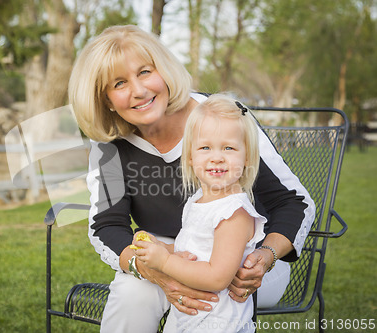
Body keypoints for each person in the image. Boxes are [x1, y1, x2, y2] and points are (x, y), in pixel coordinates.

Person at [68, 25, 315, 333]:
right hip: (171, 252)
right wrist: (149, 268)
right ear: (104, 99)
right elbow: (107, 226)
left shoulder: (220, 117)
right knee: (132, 293)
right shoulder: (109, 147)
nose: (139, 90)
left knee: (216, 292)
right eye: (119, 83)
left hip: (245, 257)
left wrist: (264, 257)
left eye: (145, 72)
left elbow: (294, 202)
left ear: (164, 70)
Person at [132, 94, 266, 332]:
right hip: (191, 319)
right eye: (205, 147)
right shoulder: (198, 200)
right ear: (191, 157)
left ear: (247, 157)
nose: (217, 156)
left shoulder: (233, 214)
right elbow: (195, 250)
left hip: (217, 322)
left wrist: (164, 261)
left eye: (229, 147)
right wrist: (160, 248)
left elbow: (218, 277)